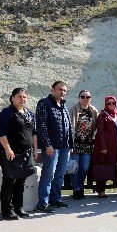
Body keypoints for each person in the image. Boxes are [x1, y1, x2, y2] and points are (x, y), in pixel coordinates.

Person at [0, 87, 38, 219]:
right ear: (12, 97)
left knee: (21, 180)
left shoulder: (29, 113)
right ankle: (7, 210)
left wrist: (35, 149)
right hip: (10, 153)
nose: (22, 99)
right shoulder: (6, 113)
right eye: (19, 96)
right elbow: (1, 133)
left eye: (24, 97)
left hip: (26, 152)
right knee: (9, 180)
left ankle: (19, 207)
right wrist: (8, 149)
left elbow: (34, 133)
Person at [36, 80, 73, 212]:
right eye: (60, 89)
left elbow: (68, 126)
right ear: (52, 89)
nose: (62, 92)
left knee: (60, 173)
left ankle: (55, 199)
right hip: (52, 146)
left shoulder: (63, 105)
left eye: (64, 90)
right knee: (48, 174)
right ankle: (42, 203)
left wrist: (70, 144)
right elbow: (41, 126)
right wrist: (48, 144)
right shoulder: (44, 103)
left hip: (65, 146)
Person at [68, 89, 98, 200]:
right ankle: (76, 189)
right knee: (74, 168)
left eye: (87, 97)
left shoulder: (93, 111)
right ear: (79, 98)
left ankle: (80, 186)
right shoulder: (73, 110)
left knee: (84, 168)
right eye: (83, 97)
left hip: (88, 144)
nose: (85, 99)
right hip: (75, 144)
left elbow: (97, 126)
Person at [91, 96, 117, 198]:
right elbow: (100, 133)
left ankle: (101, 188)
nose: (111, 105)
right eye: (109, 103)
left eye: (113, 103)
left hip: (115, 146)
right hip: (104, 147)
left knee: (110, 166)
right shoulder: (102, 116)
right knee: (102, 168)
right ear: (106, 104)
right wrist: (103, 148)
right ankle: (101, 190)